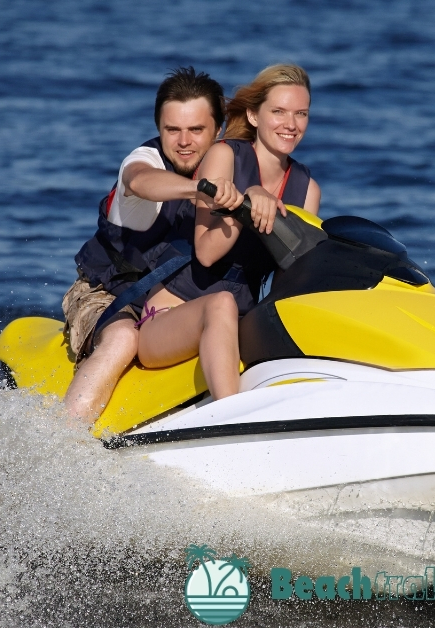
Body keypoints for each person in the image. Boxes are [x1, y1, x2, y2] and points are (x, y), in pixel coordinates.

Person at [128, 63, 320, 403]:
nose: (291, 125)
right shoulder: (224, 155)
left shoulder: (307, 189)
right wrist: (245, 207)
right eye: (278, 112)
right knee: (221, 303)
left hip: (238, 319)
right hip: (171, 317)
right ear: (254, 115)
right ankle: (230, 414)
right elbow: (206, 252)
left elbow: (289, 280)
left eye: (300, 113)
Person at [62, 67, 242, 421]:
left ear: (218, 130)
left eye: (196, 130)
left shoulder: (231, 163)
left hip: (175, 301)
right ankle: (58, 443)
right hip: (106, 294)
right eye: (172, 130)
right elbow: (141, 182)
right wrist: (202, 190)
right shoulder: (144, 161)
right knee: (124, 339)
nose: (184, 141)